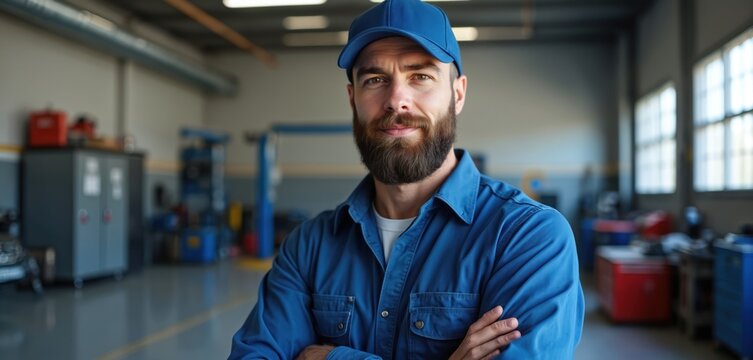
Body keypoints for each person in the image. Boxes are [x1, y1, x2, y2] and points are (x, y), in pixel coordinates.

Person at [229, 0, 584, 358]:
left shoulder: (527, 237)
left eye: (421, 76)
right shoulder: (310, 247)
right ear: (353, 98)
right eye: (375, 79)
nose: (396, 99)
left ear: (457, 93)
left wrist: (329, 357)